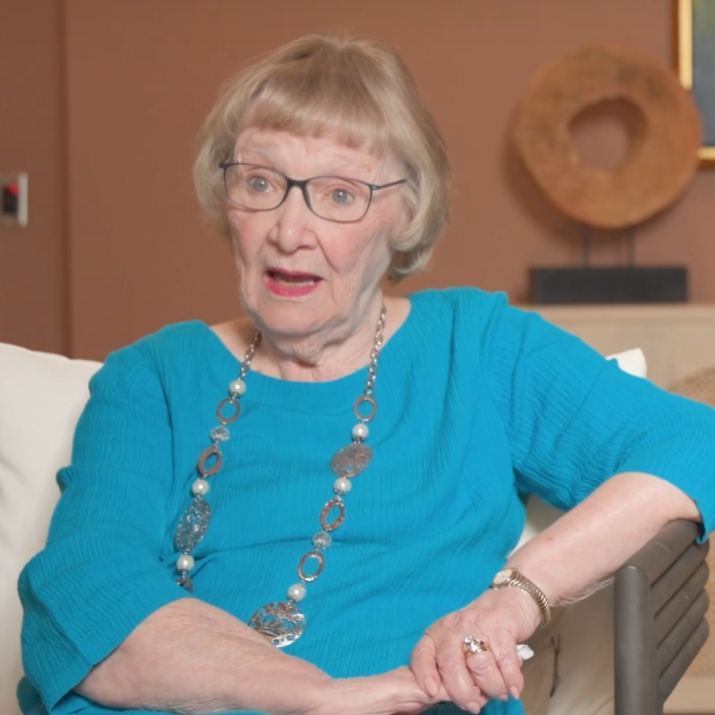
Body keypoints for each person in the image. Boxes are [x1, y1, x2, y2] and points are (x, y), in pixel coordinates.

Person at [17, 33, 715, 715]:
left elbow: (694, 443)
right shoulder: (152, 379)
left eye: (340, 194)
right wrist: (318, 697)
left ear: (406, 212)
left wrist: (516, 597)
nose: (289, 231)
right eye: (260, 182)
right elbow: (81, 598)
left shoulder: (477, 349)